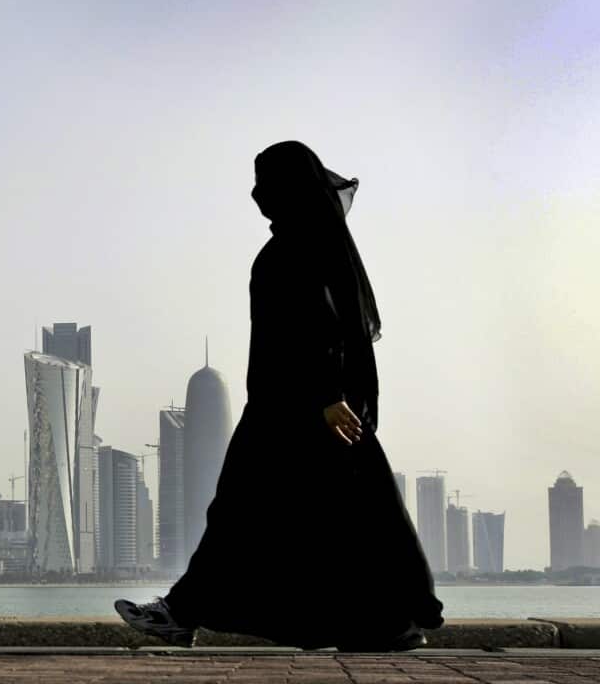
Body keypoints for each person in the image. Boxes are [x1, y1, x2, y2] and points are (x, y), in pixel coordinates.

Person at [115, 141, 443, 652]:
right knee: (329, 521)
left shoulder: (298, 250)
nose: (256, 194)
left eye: (266, 182)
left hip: (297, 410)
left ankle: (181, 613)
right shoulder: (307, 246)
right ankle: (381, 625)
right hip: (299, 406)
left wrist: (327, 397)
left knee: (247, 517)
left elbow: (320, 331)